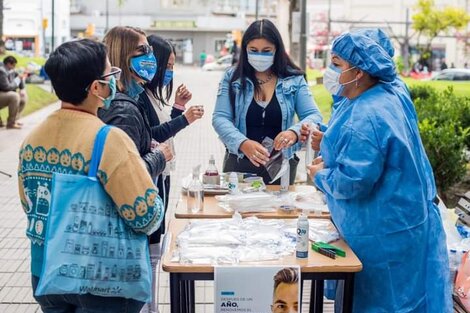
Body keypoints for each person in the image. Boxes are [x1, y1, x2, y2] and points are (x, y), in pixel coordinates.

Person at [306, 30, 451, 312]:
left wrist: (320, 175)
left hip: (382, 234)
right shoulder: (385, 94)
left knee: (383, 303)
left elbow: (353, 181)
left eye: (337, 64)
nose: (330, 71)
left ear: (358, 71)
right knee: (408, 298)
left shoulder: (366, 115)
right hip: (403, 222)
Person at [17, 39, 165, 313]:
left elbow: (29, 204)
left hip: (47, 274)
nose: (114, 80)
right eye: (111, 73)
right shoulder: (109, 140)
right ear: (96, 88)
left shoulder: (31, 141)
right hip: (104, 280)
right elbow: (145, 216)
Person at [137, 34, 204, 313]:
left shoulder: (149, 95)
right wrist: (184, 118)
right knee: (151, 254)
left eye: (173, 67)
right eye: (167, 66)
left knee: (155, 251)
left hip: (159, 177)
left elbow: (158, 130)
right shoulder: (136, 97)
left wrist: (177, 108)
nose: (169, 72)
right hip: (149, 179)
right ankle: (148, 307)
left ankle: (151, 306)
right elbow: (151, 135)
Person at [212, 19, 322, 184]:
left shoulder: (294, 79)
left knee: (279, 210)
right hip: (239, 166)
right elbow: (220, 117)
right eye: (254, 50)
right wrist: (242, 143)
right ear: (245, 50)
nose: (260, 56)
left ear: (277, 50)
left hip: (281, 169)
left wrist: (294, 132)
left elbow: (314, 115)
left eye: (266, 50)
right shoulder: (232, 77)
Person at [98, 26, 173, 183]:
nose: (150, 57)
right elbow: (124, 177)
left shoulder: (132, 97)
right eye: (142, 50)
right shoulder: (122, 109)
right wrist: (158, 157)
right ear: (122, 55)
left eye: (150, 50)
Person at [0, 55, 25, 129]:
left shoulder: (10, 69)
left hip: (3, 93)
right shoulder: (1, 71)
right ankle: (11, 123)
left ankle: (14, 119)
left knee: (23, 98)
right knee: (15, 96)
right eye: (13, 65)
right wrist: (16, 81)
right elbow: (6, 87)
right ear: (8, 64)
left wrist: (22, 89)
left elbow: (18, 77)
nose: (14, 67)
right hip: (2, 92)